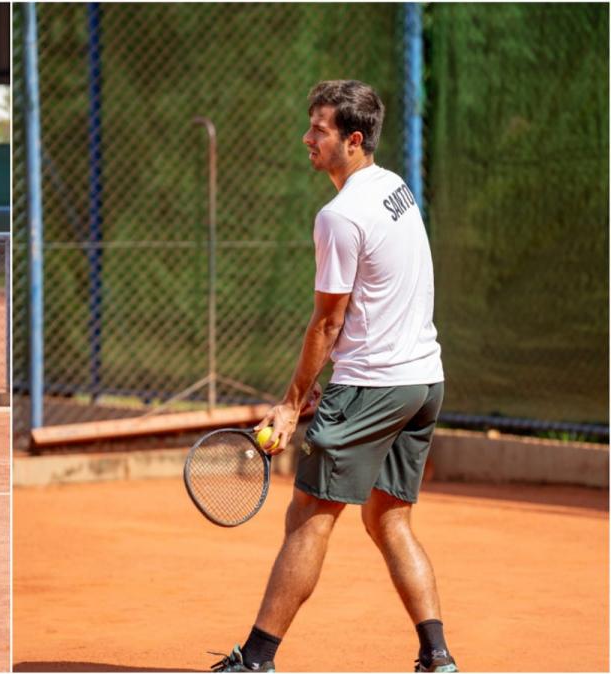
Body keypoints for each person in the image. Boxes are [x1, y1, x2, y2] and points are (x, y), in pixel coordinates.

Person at [211, 80, 453, 673]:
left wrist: (292, 403)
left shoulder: (339, 216)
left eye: (319, 129)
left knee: (308, 519)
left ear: (352, 139)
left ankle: (257, 659)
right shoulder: (394, 188)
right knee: (387, 517)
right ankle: (437, 656)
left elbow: (328, 320)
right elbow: (380, 294)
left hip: (373, 385)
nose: (307, 138)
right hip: (423, 380)